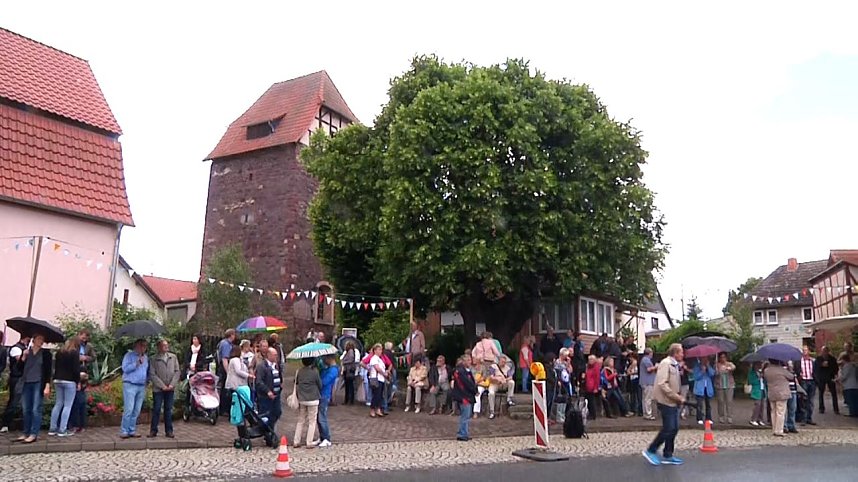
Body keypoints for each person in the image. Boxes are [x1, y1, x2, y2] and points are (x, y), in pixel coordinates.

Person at [642, 343, 686, 466]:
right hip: (665, 401)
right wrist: (676, 397)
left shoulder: (674, 365)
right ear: (675, 353)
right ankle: (651, 450)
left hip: (672, 401)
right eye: (681, 352)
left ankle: (668, 454)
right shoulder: (666, 363)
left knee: (674, 428)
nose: (683, 354)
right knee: (668, 428)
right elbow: (662, 384)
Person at [16, 334, 52, 443]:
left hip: (38, 382)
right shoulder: (27, 352)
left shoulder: (46, 354)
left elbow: (48, 371)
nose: (41, 341)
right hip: (26, 382)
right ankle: (26, 432)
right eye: (39, 339)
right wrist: (23, 358)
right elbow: (18, 369)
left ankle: (33, 433)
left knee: (36, 409)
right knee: (26, 409)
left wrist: (47, 385)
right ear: (33, 340)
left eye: (43, 339)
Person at [49, 336, 81, 437]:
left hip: (58, 379)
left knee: (58, 404)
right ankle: (62, 429)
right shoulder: (74, 353)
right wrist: (78, 381)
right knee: (67, 405)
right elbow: (76, 370)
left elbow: (55, 366)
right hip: (69, 381)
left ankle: (52, 428)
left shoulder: (60, 352)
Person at [148, 339, 180, 438]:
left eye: (167, 345)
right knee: (157, 409)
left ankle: (169, 431)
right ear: (159, 347)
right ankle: (153, 430)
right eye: (163, 345)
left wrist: (172, 384)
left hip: (170, 388)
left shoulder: (173, 357)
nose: (166, 347)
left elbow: (177, 371)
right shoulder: (154, 359)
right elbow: (152, 374)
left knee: (168, 410)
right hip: (158, 389)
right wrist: (162, 386)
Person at [119, 339, 149, 439]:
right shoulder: (129, 356)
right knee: (129, 408)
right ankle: (124, 430)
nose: (144, 348)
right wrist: (136, 364)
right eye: (142, 346)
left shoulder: (145, 357)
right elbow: (125, 369)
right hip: (130, 384)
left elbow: (146, 370)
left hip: (141, 385)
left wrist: (147, 381)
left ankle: (132, 430)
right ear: (137, 346)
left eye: (145, 346)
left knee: (136, 410)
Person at [1, 335, 30, 433]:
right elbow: (20, 360)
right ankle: (5, 424)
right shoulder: (16, 348)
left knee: (23, 402)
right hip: (16, 378)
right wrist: (25, 355)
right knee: (14, 401)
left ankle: (21, 424)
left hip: (24, 377)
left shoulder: (25, 348)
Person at [69, 330, 96, 434]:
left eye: (85, 338)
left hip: (83, 372)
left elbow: (93, 357)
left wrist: (86, 358)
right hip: (74, 372)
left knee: (81, 400)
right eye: (82, 337)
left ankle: (81, 424)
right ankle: (73, 423)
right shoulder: (73, 345)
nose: (83, 340)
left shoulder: (88, 346)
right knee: (75, 399)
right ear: (78, 335)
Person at [294, 357, 322, 448]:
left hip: (302, 399)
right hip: (313, 398)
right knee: (312, 421)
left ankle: (296, 441)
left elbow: (296, 382)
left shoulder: (299, 371)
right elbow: (320, 384)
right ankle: (309, 441)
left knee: (301, 420)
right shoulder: (315, 372)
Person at [255, 347, 283, 430]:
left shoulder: (276, 365)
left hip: (276, 394)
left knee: (277, 412)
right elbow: (259, 381)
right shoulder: (262, 366)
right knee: (265, 414)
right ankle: (265, 430)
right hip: (265, 396)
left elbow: (279, 376)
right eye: (274, 355)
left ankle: (270, 428)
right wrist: (267, 391)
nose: (276, 357)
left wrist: (280, 384)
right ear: (268, 355)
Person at [763, 358, 792, 437]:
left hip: (772, 392)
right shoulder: (782, 370)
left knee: (773, 411)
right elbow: (791, 376)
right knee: (780, 412)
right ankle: (779, 430)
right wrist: (789, 368)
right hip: (782, 393)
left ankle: (774, 429)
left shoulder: (767, 371)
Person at [451, 354, 477, 441]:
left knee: (466, 415)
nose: (470, 362)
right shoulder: (461, 371)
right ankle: (462, 434)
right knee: (465, 415)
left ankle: (464, 432)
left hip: (466, 395)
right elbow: (466, 384)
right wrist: (474, 390)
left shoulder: (466, 371)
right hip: (464, 396)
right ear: (464, 361)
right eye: (468, 360)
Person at [317, 354, 338, 448]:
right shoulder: (327, 368)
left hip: (324, 395)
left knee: (322, 417)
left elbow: (324, 381)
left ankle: (326, 438)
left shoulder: (333, 370)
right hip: (321, 394)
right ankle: (322, 437)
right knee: (319, 417)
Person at [216, 329, 237, 415]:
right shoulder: (226, 344)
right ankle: (224, 409)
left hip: (223, 368)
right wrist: (228, 372)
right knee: (226, 389)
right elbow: (225, 359)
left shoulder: (224, 343)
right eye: (234, 334)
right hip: (224, 369)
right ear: (231, 335)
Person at [816, 345, 839, 415]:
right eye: (823, 351)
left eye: (826, 351)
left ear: (828, 351)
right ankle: (821, 408)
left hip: (830, 377)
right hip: (822, 377)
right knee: (821, 393)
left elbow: (836, 368)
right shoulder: (819, 358)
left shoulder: (832, 359)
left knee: (834, 393)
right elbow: (817, 368)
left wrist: (835, 375)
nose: (824, 353)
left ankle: (836, 409)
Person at [693, 357, 715, 425]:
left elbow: (712, 374)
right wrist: (702, 371)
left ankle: (708, 418)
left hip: (707, 387)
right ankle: (699, 418)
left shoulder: (709, 366)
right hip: (700, 387)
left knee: (708, 404)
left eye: (706, 359)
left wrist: (708, 367)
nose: (705, 360)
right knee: (699, 404)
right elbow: (696, 377)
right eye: (703, 359)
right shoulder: (697, 366)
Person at [715, 352, 736, 424]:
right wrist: (718, 370)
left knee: (729, 402)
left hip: (729, 385)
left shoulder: (729, 364)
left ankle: (729, 417)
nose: (722, 359)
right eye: (721, 357)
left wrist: (728, 368)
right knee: (720, 402)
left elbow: (733, 367)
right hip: (720, 386)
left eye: (724, 357)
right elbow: (715, 373)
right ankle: (721, 416)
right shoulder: (717, 365)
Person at [797, 345, 816, 425]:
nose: (804, 352)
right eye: (803, 350)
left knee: (811, 401)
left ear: (808, 351)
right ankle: (803, 419)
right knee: (803, 400)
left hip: (811, 381)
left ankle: (809, 418)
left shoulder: (812, 361)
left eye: (806, 350)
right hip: (803, 381)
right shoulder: (799, 361)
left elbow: (816, 370)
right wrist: (799, 375)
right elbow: (796, 370)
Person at [367, 344, 387, 418]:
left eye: (381, 350)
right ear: (375, 351)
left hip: (381, 379)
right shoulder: (374, 358)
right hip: (376, 378)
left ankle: (378, 409)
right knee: (376, 395)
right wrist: (384, 373)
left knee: (380, 395)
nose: (380, 351)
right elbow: (377, 368)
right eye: (378, 350)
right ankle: (372, 409)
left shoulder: (380, 359)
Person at [340, 341, 360, 405]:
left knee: (349, 386)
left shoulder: (350, 351)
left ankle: (349, 400)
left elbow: (351, 359)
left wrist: (344, 362)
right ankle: (349, 400)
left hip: (349, 370)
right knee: (349, 385)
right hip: (350, 370)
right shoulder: (351, 351)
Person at [639, 348, 657, 420]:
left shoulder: (643, 359)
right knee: (648, 398)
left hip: (644, 382)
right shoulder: (646, 360)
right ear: (650, 353)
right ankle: (648, 414)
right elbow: (649, 369)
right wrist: (656, 366)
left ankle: (645, 413)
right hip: (648, 382)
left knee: (645, 398)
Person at [748, 362, 766, 426]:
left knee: (762, 405)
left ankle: (760, 419)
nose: (759, 366)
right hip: (756, 390)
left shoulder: (761, 372)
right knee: (757, 405)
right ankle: (753, 419)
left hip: (762, 389)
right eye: (758, 365)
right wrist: (758, 378)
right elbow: (750, 381)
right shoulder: (752, 373)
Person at [584, 355, 602, 420]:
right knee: (588, 401)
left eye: (591, 359)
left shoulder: (596, 367)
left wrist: (595, 388)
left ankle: (593, 414)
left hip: (592, 386)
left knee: (592, 401)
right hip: (587, 386)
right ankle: (590, 413)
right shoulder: (588, 367)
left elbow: (597, 378)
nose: (589, 361)